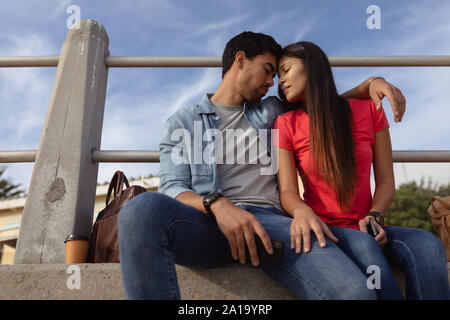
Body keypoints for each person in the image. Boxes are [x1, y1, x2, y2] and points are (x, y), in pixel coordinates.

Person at [117, 31, 407, 300]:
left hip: (273, 226)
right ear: (240, 60)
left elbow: (325, 104)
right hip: (208, 224)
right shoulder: (182, 123)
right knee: (140, 211)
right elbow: (173, 187)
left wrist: (371, 84)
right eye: (269, 70)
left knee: (355, 293)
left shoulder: (273, 111)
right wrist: (217, 205)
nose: (272, 83)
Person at [274, 41, 449, 300]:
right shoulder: (285, 124)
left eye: (286, 70)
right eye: (278, 75)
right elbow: (287, 191)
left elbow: (386, 182)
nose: (281, 81)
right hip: (328, 232)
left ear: (312, 66)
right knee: (364, 245)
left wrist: (375, 215)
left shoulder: (369, 109)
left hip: (371, 226)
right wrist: (303, 213)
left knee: (427, 244)